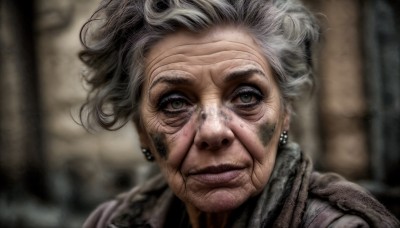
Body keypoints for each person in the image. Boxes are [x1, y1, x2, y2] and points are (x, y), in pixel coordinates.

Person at [79, 0, 399, 227]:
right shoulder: (110, 222)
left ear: (284, 113)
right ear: (142, 131)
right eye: (174, 102)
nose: (213, 131)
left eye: (246, 95)